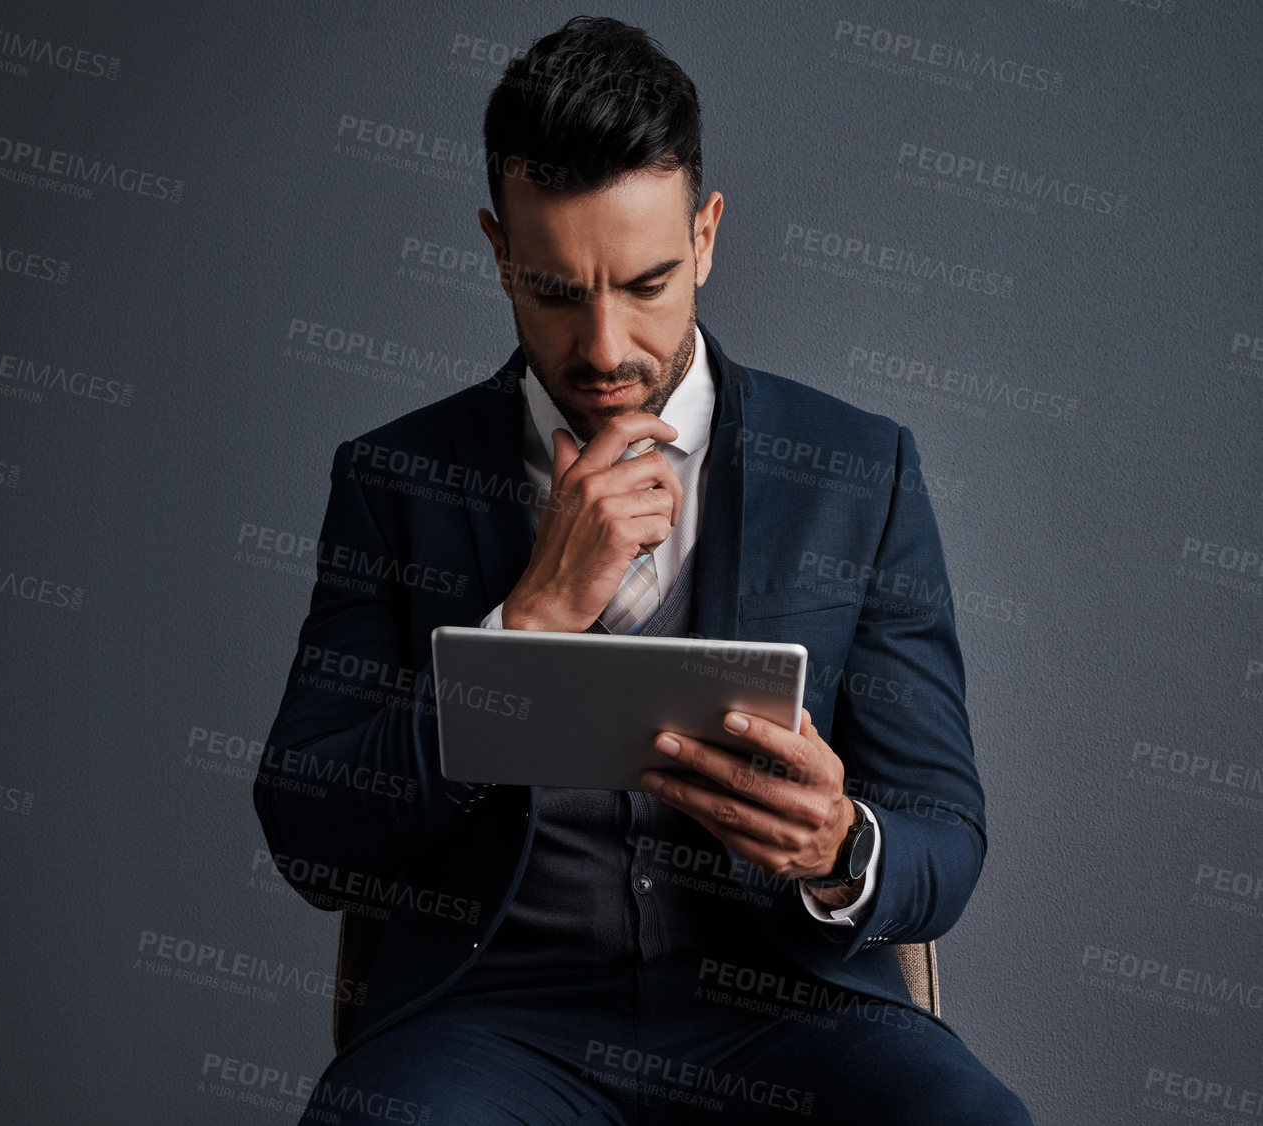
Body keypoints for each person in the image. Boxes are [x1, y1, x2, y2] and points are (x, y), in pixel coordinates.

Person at [254, 15, 1031, 1124]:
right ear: (495, 250)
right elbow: (310, 834)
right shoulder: (397, 479)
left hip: (789, 1017)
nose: (606, 347)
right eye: (557, 293)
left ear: (706, 236)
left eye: (648, 283)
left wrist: (840, 845)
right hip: (492, 1021)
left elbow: (943, 836)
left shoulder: (860, 473)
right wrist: (522, 628)